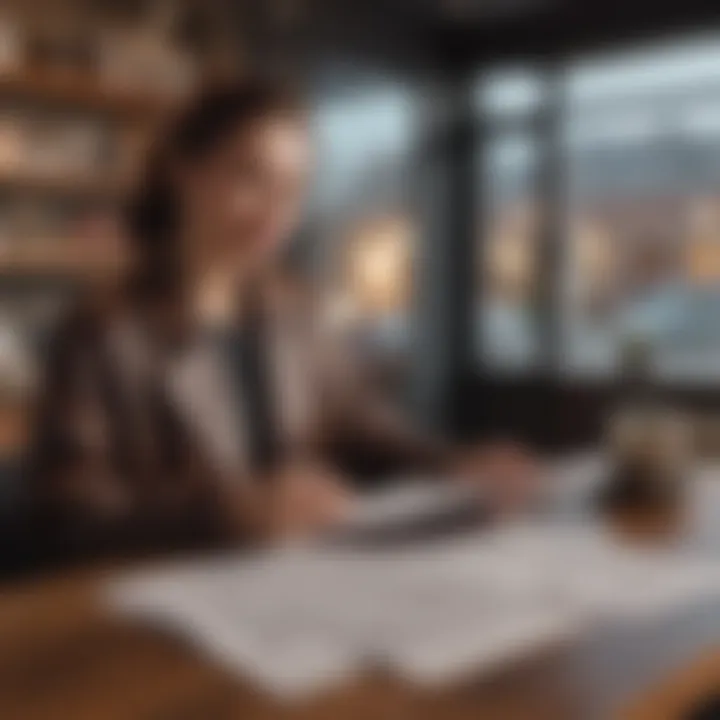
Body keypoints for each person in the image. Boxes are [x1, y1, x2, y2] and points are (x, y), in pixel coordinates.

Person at [30, 80, 535, 563]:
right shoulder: (100, 332)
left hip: (296, 586)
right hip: (156, 612)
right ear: (182, 170)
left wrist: (451, 465)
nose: (276, 209)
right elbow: (68, 516)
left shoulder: (298, 313)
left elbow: (362, 432)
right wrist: (227, 512)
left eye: (293, 187)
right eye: (250, 175)